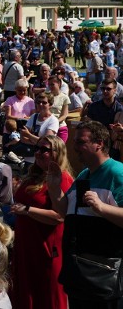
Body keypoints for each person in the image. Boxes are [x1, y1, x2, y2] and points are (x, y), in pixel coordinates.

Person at [47, 121, 123, 309]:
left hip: (105, 280)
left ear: (99, 144)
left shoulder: (117, 174)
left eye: (81, 142)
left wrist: (102, 207)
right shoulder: (84, 175)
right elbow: (65, 211)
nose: (75, 147)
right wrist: (55, 188)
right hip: (79, 277)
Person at [9, 136, 73, 309]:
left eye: (44, 150)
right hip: (25, 247)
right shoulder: (33, 175)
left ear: (57, 153)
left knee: (47, 298)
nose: (38, 152)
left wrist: (27, 210)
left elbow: (60, 216)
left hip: (46, 251)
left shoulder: (63, 179)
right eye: (37, 148)